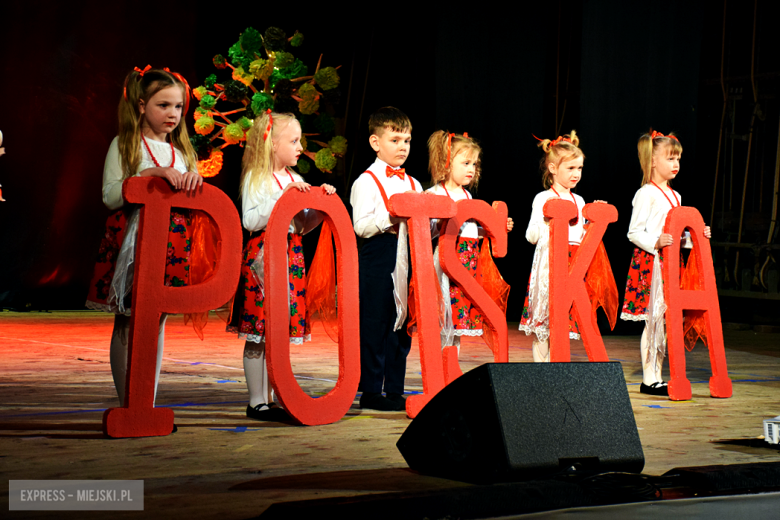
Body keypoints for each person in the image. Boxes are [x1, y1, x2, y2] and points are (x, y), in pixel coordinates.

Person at [85, 66, 203, 406]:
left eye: (178, 107)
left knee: (158, 318)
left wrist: (192, 185)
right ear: (140, 105)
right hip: (133, 243)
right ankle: (129, 402)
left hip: (171, 242)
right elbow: (109, 195)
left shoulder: (181, 154)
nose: (173, 114)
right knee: (129, 318)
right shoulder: (125, 144)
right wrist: (146, 175)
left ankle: (145, 402)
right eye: (163, 105)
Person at [227, 110, 336, 420]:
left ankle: (273, 396)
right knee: (259, 330)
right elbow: (251, 220)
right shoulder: (256, 177)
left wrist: (321, 206)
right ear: (273, 144)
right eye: (294, 140)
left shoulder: (295, 178)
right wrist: (281, 196)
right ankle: (256, 401)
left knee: (278, 330)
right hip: (263, 259)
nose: (300, 147)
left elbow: (301, 225)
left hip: (290, 256)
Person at [621, 130, 711, 396]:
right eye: (670, 158)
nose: (676, 164)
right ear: (652, 162)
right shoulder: (646, 193)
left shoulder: (676, 196)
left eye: (678, 159)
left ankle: (658, 375)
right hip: (651, 262)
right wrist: (656, 242)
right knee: (654, 321)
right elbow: (634, 232)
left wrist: (697, 237)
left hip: (672, 264)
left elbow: (680, 237)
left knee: (665, 320)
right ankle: (650, 378)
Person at [350, 107, 421, 411]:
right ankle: (370, 390)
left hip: (408, 254)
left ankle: (394, 388)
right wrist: (390, 215)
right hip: (378, 254)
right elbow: (361, 226)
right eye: (395, 139)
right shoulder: (366, 181)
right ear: (376, 143)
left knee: (401, 322)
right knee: (376, 322)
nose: (402, 146)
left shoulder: (414, 184)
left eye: (406, 140)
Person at [422, 130, 513, 353]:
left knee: (458, 315)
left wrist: (492, 229)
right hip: (447, 259)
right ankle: (439, 364)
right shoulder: (433, 194)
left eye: (474, 164)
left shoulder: (467, 196)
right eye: (465, 163)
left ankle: (452, 362)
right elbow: (427, 231)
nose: (471, 169)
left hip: (469, 261)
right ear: (446, 164)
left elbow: (469, 229)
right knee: (443, 313)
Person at [519, 131, 606, 362]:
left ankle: (556, 368)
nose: (576, 174)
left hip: (573, 264)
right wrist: (548, 223)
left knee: (564, 320)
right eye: (570, 168)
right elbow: (531, 235)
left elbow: (580, 236)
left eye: (579, 168)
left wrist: (592, 221)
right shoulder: (542, 198)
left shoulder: (579, 201)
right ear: (553, 168)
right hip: (550, 263)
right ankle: (542, 373)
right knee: (544, 322)